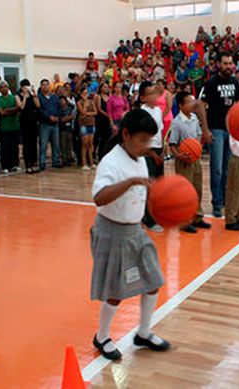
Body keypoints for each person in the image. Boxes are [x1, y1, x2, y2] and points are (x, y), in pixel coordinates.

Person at [90, 109, 170, 361]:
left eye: (150, 141)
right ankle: (102, 336)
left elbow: (140, 196)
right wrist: (130, 183)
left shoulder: (140, 160)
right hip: (112, 231)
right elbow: (99, 197)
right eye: (143, 140)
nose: (147, 145)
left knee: (154, 280)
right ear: (126, 134)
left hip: (135, 230)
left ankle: (143, 332)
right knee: (116, 291)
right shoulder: (111, 162)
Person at [197, 51, 239, 218]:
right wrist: (205, 129)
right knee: (216, 168)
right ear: (219, 65)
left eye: (230, 63)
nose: (228, 66)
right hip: (215, 129)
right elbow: (201, 105)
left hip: (231, 130)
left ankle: (224, 200)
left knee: (227, 169)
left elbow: (238, 105)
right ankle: (216, 202)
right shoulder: (211, 83)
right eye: (225, 63)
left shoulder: (235, 83)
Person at [168, 92, 211, 234]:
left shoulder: (194, 118)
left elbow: (198, 135)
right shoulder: (177, 123)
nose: (193, 104)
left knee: (197, 188)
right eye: (189, 102)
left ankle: (197, 217)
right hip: (184, 161)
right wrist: (179, 155)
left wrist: (198, 147)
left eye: (193, 101)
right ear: (181, 105)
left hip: (195, 159)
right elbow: (172, 145)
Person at [139, 81, 165, 232]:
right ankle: (148, 218)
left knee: (159, 185)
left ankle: (156, 214)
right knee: (150, 186)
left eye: (155, 93)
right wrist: (152, 153)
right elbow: (142, 138)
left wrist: (162, 150)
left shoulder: (158, 111)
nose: (154, 96)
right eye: (150, 94)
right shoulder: (142, 113)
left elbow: (160, 131)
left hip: (158, 149)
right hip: (148, 152)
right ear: (143, 97)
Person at [0, 81, 21, 172]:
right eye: (1, 87)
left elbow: (18, 108)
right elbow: (1, 112)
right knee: (4, 147)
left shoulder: (13, 98)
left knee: (14, 147)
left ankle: (15, 165)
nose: (4, 88)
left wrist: (7, 110)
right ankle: (5, 166)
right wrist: (12, 110)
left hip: (14, 126)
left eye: (5, 86)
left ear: (8, 87)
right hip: (4, 127)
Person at [38, 79, 61, 170]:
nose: (45, 86)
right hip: (45, 124)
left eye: (47, 85)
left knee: (56, 144)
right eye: (43, 85)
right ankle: (42, 163)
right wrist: (49, 117)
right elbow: (40, 110)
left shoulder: (54, 97)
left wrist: (57, 116)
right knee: (43, 145)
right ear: (41, 87)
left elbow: (59, 107)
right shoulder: (39, 97)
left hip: (55, 123)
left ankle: (55, 161)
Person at [17, 80, 40, 173]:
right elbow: (21, 106)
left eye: (28, 86)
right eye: (25, 86)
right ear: (22, 87)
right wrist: (25, 96)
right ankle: (27, 165)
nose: (26, 88)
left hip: (33, 122)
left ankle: (34, 163)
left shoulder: (32, 96)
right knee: (26, 144)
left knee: (33, 143)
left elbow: (38, 105)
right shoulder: (18, 96)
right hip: (24, 123)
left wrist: (34, 94)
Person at [77, 88, 97, 171]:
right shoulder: (79, 102)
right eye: (84, 93)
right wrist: (85, 103)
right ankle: (84, 163)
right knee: (84, 144)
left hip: (91, 124)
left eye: (86, 93)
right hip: (83, 125)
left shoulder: (91, 102)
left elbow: (95, 112)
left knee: (90, 144)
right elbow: (82, 112)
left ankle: (91, 163)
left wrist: (87, 114)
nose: (86, 95)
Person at [94, 83, 112, 161]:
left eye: (107, 87)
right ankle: (95, 153)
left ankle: (103, 154)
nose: (106, 88)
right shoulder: (98, 96)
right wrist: (107, 114)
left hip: (107, 119)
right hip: (100, 118)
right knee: (97, 137)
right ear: (100, 88)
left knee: (106, 137)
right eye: (104, 87)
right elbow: (99, 109)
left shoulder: (109, 96)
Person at [59, 96, 75, 167]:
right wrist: (68, 117)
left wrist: (67, 118)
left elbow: (72, 116)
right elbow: (62, 120)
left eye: (63, 100)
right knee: (63, 145)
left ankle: (69, 158)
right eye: (61, 101)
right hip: (62, 129)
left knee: (69, 144)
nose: (62, 102)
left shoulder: (69, 109)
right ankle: (64, 159)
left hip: (69, 129)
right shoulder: (59, 110)